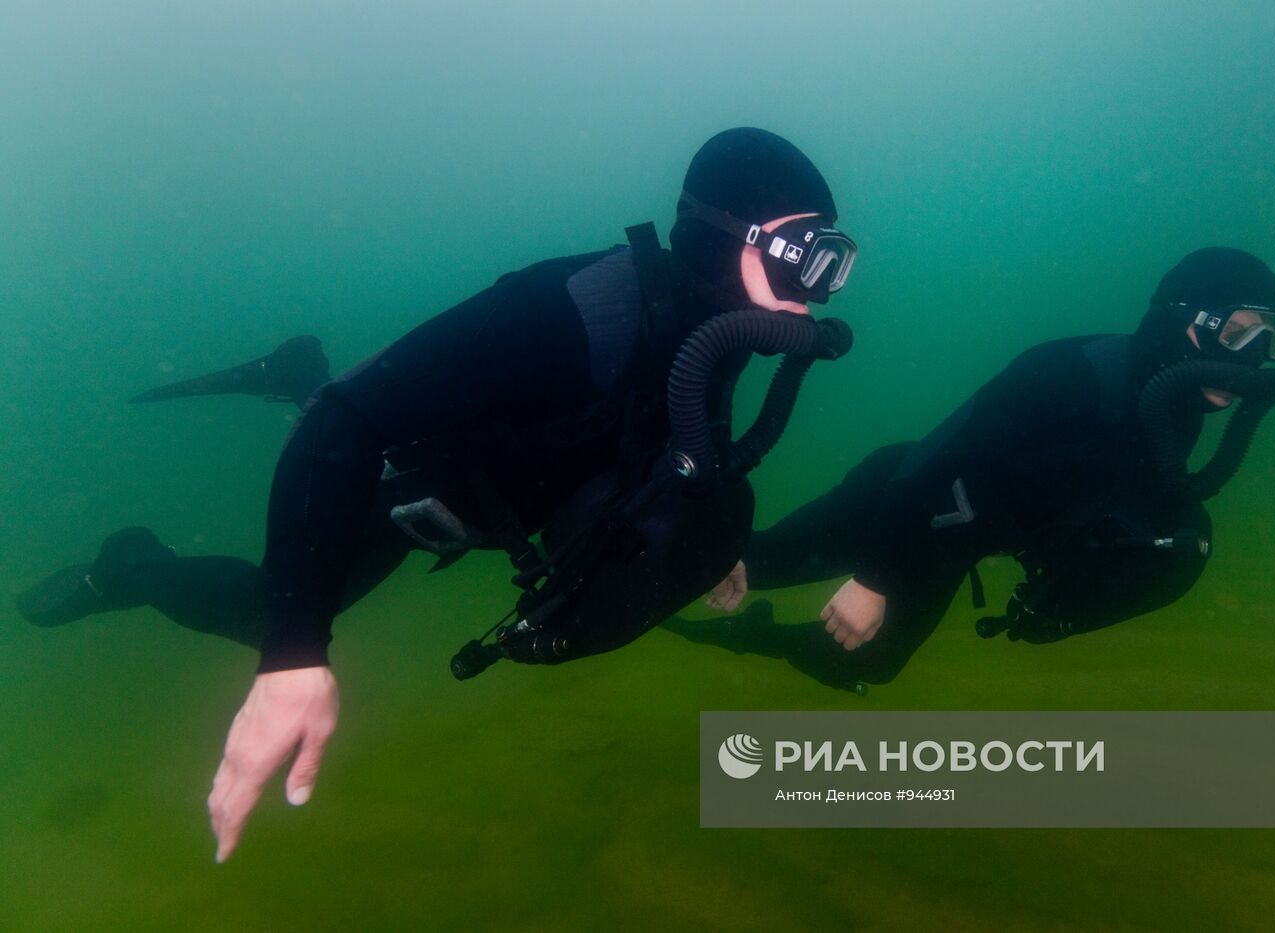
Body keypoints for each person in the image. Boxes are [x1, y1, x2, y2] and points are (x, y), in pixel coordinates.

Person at [15, 128, 859, 860]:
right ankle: (131, 563)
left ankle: (295, 372)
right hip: (423, 483)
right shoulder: (571, 310)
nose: (816, 284)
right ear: (721, 238)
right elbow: (348, 423)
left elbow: (679, 427)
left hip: (512, 499)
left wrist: (700, 536)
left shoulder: (719, 322)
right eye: (801, 251)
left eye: (833, 258)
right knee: (263, 607)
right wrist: (293, 656)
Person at [669, 247, 1275, 693]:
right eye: (1238, 332)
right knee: (757, 566)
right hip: (914, 498)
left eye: (1273, 340)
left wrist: (1067, 595)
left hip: (982, 533)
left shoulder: (1180, 407)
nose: (1253, 357)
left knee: (867, 663)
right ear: (1185, 321)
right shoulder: (1073, 371)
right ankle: (669, 584)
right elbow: (936, 459)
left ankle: (755, 626)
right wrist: (874, 577)